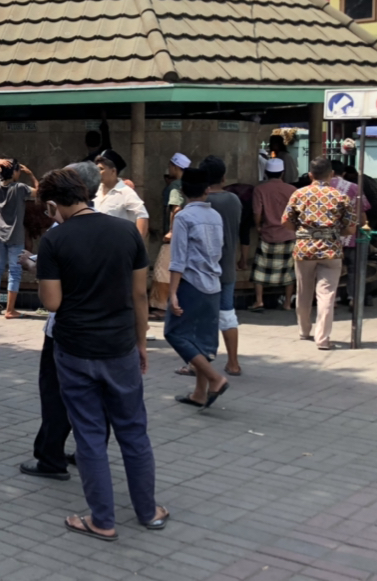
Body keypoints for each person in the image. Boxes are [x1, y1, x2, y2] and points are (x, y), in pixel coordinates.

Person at [34, 168, 165, 542]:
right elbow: (140, 295)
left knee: (90, 435)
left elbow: (52, 302)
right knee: (133, 430)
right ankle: (148, 511)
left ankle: (102, 520)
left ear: (52, 204)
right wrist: (141, 343)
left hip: (74, 349)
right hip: (121, 345)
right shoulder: (126, 232)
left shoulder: (53, 241)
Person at [19, 161, 101, 483]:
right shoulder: (116, 227)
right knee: (94, 398)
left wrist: (33, 267)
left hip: (66, 330)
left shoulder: (60, 233)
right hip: (107, 332)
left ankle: (51, 456)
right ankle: (87, 452)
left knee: (55, 393)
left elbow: (50, 300)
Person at [166, 168, 230, 408]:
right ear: (207, 190)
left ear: (182, 192)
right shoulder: (215, 216)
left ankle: (214, 379)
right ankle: (199, 392)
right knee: (202, 340)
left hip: (191, 284)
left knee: (175, 333)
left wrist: (172, 293)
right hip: (213, 283)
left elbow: (178, 258)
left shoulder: (183, 217)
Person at [284, 157, 355, 350]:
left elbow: (286, 221)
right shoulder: (340, 197)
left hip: (304, 248)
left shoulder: (299, 194)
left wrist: (303, 232)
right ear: (331, 175)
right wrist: (332, 232)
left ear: (310, 175)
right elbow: (350, 228)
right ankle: (322, 338)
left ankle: (304, 329)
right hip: (331, 250)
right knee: (327, 294)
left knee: (303, 290)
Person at [201, 156, 243, 378]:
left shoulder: (204, 202)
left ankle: (197, 364)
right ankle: (233, 363)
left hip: (204, 270)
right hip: (227, 267)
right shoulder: (234, 200)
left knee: (201, 316)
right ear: (224, 177)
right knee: (228, 314)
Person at [0, 157, 36, 319]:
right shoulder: (20, 188)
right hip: (15, 236)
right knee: (14, 272)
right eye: (18, 171)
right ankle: (10, 310)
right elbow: (40, 192)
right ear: (15, 172)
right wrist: (31, 174)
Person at [249, 158, 297, 312]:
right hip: (289, 234)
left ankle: (259, 301)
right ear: (282, 173)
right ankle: (287, 303)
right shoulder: (292, 190)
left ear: (266, 173)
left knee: (260, 270)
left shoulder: (260, 190)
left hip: (268, 234)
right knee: (289, 271)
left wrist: (258, 226)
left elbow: (257, 212)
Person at [149, 153, 189, 320]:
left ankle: (162, 307)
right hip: (186, 236)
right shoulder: (188, 185)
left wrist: (172, 230)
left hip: (173, 238)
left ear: (175, 167)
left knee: (162, 271)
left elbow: (176, 209)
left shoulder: (175, 187)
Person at [330, 162, 369, 306]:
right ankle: (353, 298)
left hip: (328, 238)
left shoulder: (321, 189)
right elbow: (362, 212)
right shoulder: (354, 188)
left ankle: (331, 299)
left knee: (330, 269)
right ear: (344, 173)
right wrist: (364, 230)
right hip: (350, 236)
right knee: (353, 269)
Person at [93, 149, 148, 238]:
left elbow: (142, 215)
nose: (97, 172)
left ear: (113, 171)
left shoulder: (125, 192)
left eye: (101, 169)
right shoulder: (95, 191)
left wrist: (137, 243)